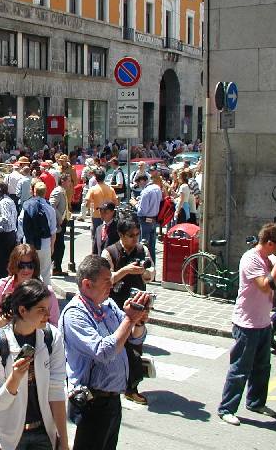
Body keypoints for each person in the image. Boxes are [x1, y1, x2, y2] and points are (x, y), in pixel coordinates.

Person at [60, 255, 150, 450]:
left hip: (113, 400)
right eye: (106, 281)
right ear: (87, 284)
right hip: (92, 403)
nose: (112, 285)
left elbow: (135, 338)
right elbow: (103, 351)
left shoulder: (108, 305)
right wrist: (130, 319)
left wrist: (138, 321)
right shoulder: (75, 314)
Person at [218, 223, 276, 426]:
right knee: (240, 369)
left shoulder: (271, 259)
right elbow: (264, 286)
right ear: (270, 243)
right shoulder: (251, 259)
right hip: (246, 323)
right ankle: (226, 409)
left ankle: (256, 403)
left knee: (262, 368)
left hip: (264, 322)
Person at [0, 279, 69, 450]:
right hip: (7, 438)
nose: (48, 315)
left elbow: (57, 390)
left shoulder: (52, 338)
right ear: (22, 310)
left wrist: (63, 441)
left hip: (43, 434)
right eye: (41, 310)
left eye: (48, 308)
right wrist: (14, 379)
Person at [101, 219, 155, 405]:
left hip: (138, 304)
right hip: (115, 307)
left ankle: (132, 388)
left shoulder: (142, 250)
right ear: (121, 235)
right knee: (116, 346)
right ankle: (113, 384)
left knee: (135, 347)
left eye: (137, 235)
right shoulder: (109, 252)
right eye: (130, 235)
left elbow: (151, 273)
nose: (135, 239)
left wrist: (143, 272)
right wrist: (125, 270)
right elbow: (107, 279)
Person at [0, 244, 60, 330]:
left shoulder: (47, 292)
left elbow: (55, 326)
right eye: (21, 265)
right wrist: (9, 316)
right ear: (14, 265)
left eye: (30, 265)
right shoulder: (1, 287)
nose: (26, 269)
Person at [18, 181, 57, 286]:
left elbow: (21, 222)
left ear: (34, 192)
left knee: (28, 271)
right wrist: (52, 246)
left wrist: (19, 240)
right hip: (45, 244)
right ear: (45, 192)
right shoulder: (50, 209)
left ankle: (29, 291)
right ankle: (47, 293)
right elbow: (53, 231)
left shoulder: (27, 206)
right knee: (45, 273)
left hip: (29, 243)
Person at [130, 173, 162, 263]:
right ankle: (152, 265)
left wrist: (135, 204)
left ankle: (144, 266)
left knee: (144, 246)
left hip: (145, 220)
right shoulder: (157, 188)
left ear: (142, 181)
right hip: (154, 219)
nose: (139, 186)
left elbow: (142, 211)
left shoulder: (146, 192)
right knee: (152, 246)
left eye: (138, 183)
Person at [0, 181, 18, 279]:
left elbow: (7, 219)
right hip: (10, 235)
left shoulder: (4, 202)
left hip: (5, 236)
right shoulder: (9, 200)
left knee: (2, 264)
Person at [50, 174, 71, 277]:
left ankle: (56, 267)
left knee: (59, 246)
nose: (70, 183)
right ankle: (56, 268)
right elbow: (52, 205)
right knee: (59, 246)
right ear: (62, 181)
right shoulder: (58, 191)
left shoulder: (62, 191)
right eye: (68, 181)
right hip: (58, 223)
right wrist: (60, 218)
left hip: (62, 222)